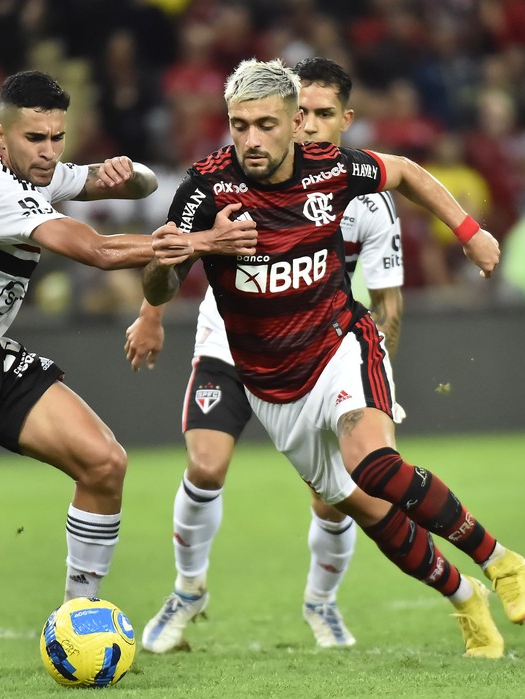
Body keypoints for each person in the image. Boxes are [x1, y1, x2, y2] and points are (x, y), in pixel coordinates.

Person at [142, 58, 525, 659]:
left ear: (292, 120)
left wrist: (469, 230)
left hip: (338, 346)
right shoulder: (204, 189)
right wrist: (190, 249)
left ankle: (502, 562)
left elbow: (405, 173)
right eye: (239, 125)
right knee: (365, 507)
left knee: (374, 464)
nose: (252, 140)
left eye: (266, 125)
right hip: (269, 383)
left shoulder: (333, 171)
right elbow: (158, 284)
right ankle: (464, 598)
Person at [0, 70, 257, 672]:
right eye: (35, 139)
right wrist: (207, 241)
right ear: (0, 137)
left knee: (105, 463)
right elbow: (100, 252)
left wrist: (124, 174)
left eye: (57, 136)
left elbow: (143, 185)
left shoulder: (39, 174)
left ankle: (81, 618)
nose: (49, 152)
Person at [125, 58, 405, 651]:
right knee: (204, 465)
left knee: (333, 496)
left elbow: (388, 305)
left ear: (344, 121)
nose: (309, 126)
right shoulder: (236, 175)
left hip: (316, 350)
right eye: (302, 113)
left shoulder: (366, 198)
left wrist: (368, 386)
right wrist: (150, 314)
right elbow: (177, 248)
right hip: (230, 338)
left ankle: (321, 604)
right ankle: (188, 591)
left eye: (324, 115)